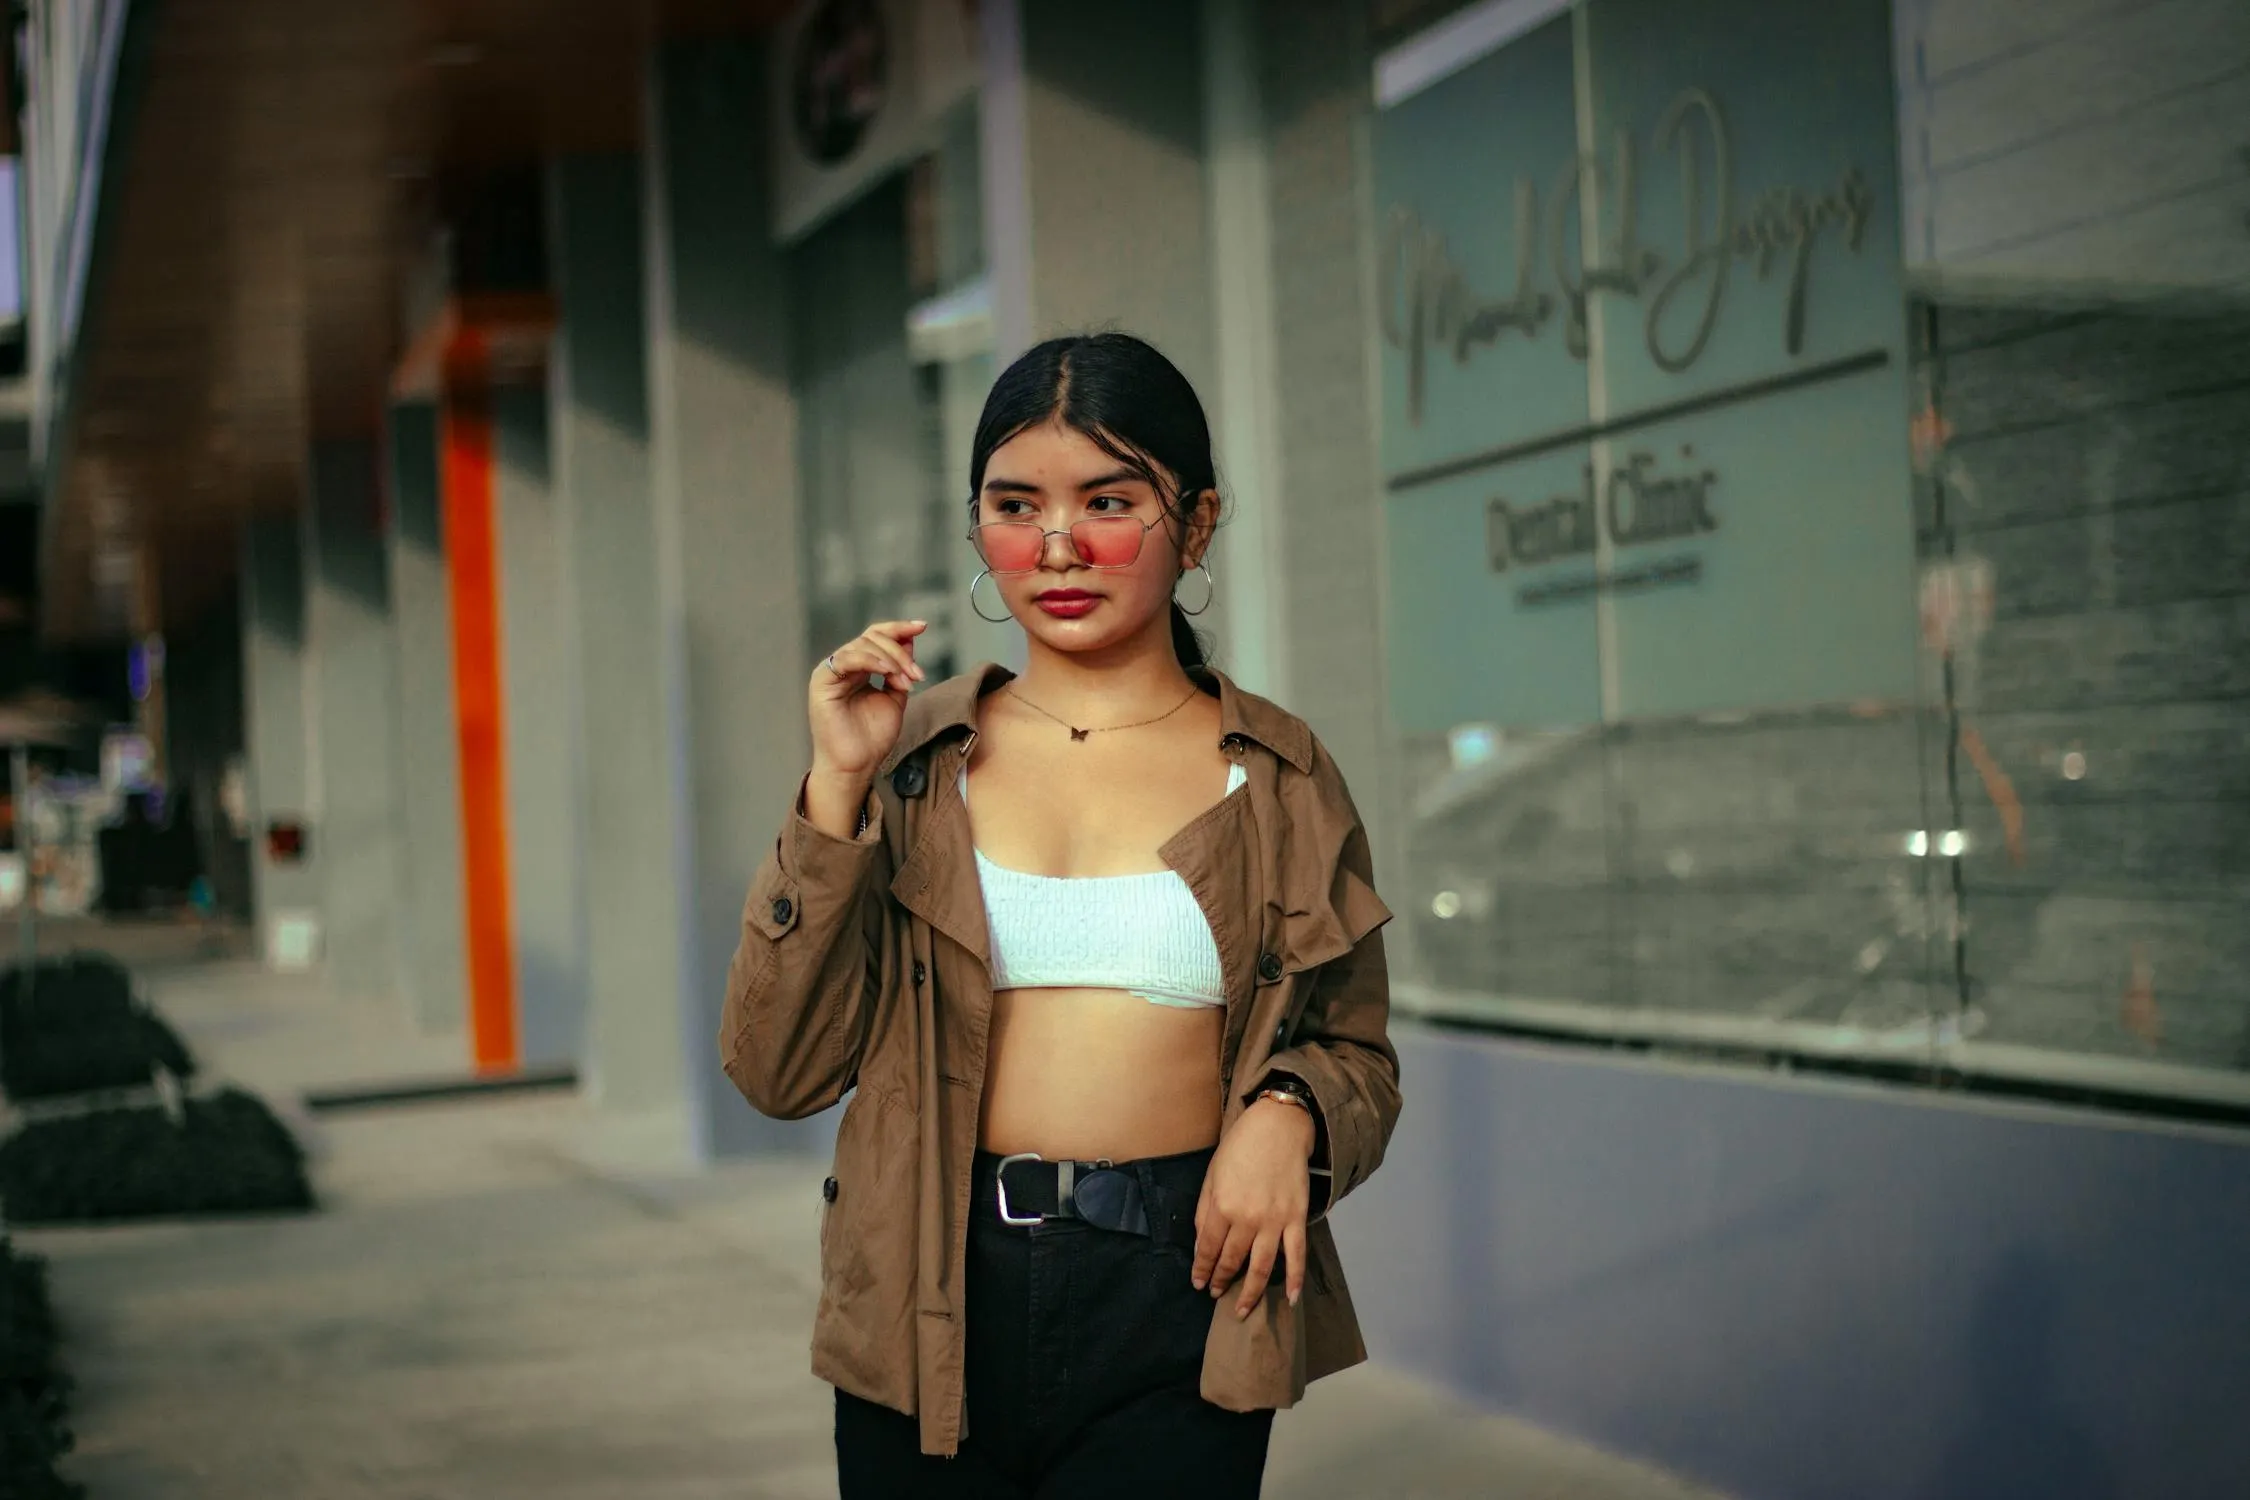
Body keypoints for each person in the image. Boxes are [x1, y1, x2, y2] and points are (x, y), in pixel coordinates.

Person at [721, 332, 1400, 1498]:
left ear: (1195, 524)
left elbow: (1357, 1052)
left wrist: (1290, 1113)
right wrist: (836, 791)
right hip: (928, 1279)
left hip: (1182, 1287)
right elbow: (776, 1068)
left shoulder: (1280, 777)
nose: (1058, 546)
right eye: (1016, 503)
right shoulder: (915, 764)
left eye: (1109, 500)